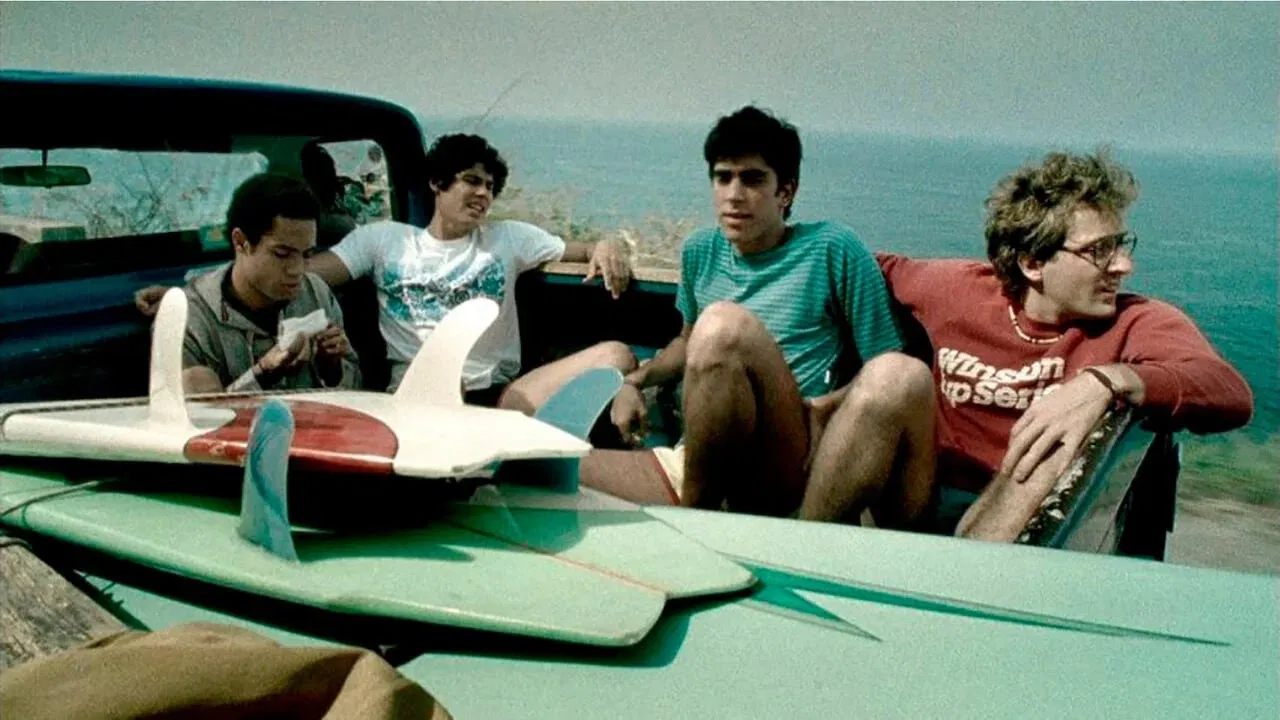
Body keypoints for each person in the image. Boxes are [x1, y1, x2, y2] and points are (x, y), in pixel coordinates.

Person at [876, 148, 1255, 541]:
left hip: (1022, 519)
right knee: (889, 376)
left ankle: (966, 570)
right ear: (1033, 264)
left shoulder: (1135, 321)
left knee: (1057, 441)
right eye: (1099, 250)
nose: (1123, 266)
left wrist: (1107, 381)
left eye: (1121, 245)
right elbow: (855, 263)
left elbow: (1229, 392)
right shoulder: (956, 290)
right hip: (919, 491)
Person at [594, 106, 937, 528]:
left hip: (794, 453)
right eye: (723, 178)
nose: (734, 195)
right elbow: (687, 342)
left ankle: (695, 523)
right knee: (540, 474)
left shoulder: (831, 248)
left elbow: (887, 365)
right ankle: (703, 510)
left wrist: (826, 408)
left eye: (753, 179)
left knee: (723, 326)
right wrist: (634, 381)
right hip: (707, 453)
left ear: (785, 192)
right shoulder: (701, 251)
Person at [141, 133, 636, 411]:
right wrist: (191, 288)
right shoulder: (384, 240)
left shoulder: (510, 238)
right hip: (415, 393)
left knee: (616, 353)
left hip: (500, 392)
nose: (483, 194)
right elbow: (300, 266)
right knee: (447, 391)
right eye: (471, 181)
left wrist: (610, 245)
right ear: (437, 183)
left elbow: (585, 247)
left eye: (490, 186)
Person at [178, 173, 360, 394]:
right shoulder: (191, 320)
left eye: (307, 254)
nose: (297, 270)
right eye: (282, 254)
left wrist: (333, 368)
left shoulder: (315, 292)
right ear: (241, 242)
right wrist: (263, 372)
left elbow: (355, 390)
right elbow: (195, 412)